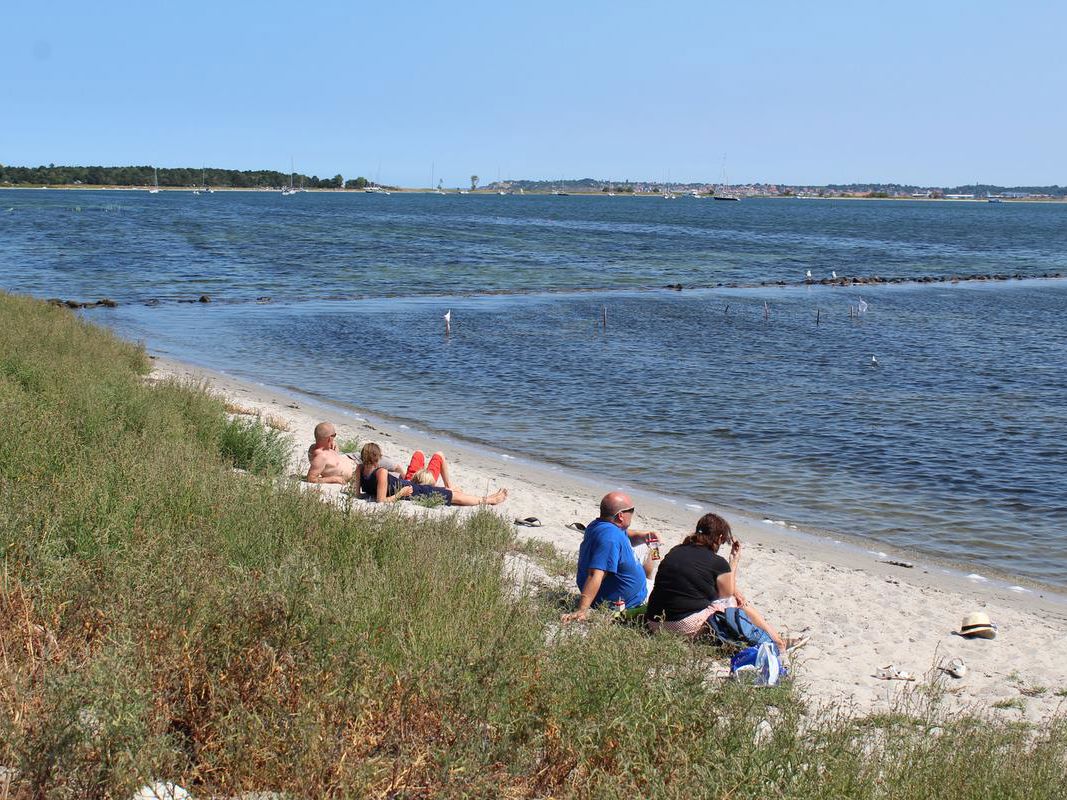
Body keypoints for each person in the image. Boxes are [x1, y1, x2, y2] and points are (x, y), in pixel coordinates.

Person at [645, 512, 802, 652]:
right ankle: (779, 643)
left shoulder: (677, 550)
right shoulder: (717, 563)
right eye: (723, 541)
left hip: (653, 622)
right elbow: (728, 593)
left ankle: (773, 638)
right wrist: (734, 562)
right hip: (678, 627)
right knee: (737, 602)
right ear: (719, 538)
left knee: (730, 598)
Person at [561, 491, 659, 622]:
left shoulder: (600, 525)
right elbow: (595, 574)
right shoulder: (610, 538)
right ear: (620, 516)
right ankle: (649, 582)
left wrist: (643, 536)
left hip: (622, 586)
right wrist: (582, 610)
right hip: (628, 600)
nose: (633, 514)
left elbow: (626, 534)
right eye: (631, 510)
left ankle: (647, 578)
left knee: (650, 546)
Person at [305, 421, 454, 488]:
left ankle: (409, 477)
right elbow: (311, 478)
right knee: (395, 474)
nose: (335, 437)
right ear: (327, 438)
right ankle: (413, 481)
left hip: (355, 457)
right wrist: (333, 479)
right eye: (334, 435)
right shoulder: (320, 457)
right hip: (360, 468)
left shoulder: (324, 448)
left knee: (396, 467)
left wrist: (332, 445)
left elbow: (332, 457)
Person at [357, 442, 508, 506]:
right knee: (454, 498)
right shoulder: (381, 472)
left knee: (451, 494)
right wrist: (400, 494)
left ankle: (488, 498)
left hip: (410, 484)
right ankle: (490, 500)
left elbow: (357, 495)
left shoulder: (359, 469)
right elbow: (381, 501)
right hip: (414, 490)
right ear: (378, 459)